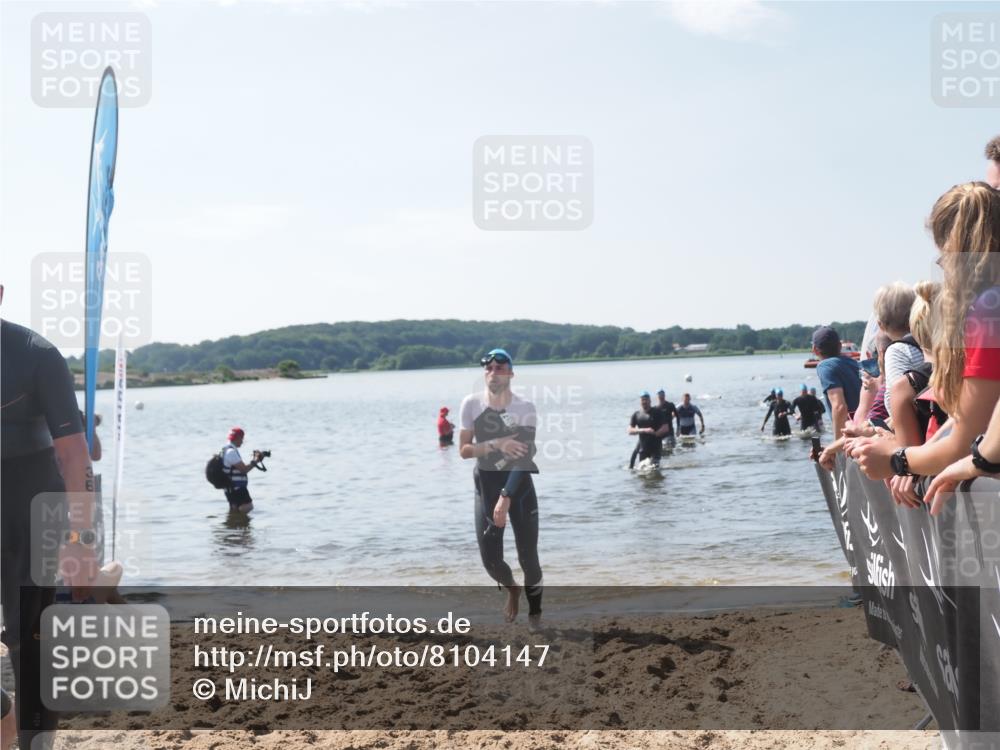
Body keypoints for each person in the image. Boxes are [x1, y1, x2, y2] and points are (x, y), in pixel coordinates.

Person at [851, 182, 1000, 483]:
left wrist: (896, 460)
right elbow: (966, 422)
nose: (942, 264)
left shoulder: (990, 308)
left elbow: (965, 441)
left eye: (944, 252)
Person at [1, 287, 98, 750]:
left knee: (30, 640)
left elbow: (75, 452)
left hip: (32, 503)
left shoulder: (36, 354)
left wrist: (81, 540)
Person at [459, 349, 543, 630]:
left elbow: (524, 458)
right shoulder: (471, 404)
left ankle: (535, 616)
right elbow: (464, 450)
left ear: (511, 374)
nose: (493, 372)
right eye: (489, 368)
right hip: (485, 485)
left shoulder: (524, 407)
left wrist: (506, 497)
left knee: (528, 558)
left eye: (500, 368)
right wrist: (498, 444)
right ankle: (512, 589)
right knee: (491, 561)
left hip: (518, 487)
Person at [872, 282, 924, 418]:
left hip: (916, 428)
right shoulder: (927, 344)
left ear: (880, 325)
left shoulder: (896, 352)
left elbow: (903, 402)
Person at [221, 427, 264, 513]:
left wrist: (255, 460)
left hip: (231, 488)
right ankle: (240, 520)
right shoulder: (231, 452)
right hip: (237, 488)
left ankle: (234, 520)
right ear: (238, 438)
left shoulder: (225, 450)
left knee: (235, 510)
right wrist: (256, 460)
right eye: (242, 438)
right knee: (248, 507)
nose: (242, 441)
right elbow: (244, 470)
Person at [628, 391, 669, 468]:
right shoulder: (636, 414)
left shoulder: (657, 412)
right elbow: (630, 430)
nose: (644, 402)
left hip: (655, 447)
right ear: (640, 401)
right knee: (643, 471)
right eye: (642, 400)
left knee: (654, 469)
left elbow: (666, 427)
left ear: (650, 401)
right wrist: (643, 430)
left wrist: (656, 433)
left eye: (646, 399)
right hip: (643, 448)